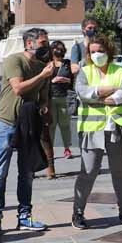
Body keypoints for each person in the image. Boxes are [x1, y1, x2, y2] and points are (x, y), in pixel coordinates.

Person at [0, 27, 52, 238]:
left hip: (28, 124)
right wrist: (43, 74)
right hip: (7, 121)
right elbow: (18, 88)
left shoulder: (44, 66)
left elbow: (43, 95)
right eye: (43, 43)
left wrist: (43, 104)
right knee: (1, 172)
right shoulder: (13, 61)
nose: (47, 47)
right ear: (29, 44)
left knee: (26, 173)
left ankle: (24, 215)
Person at [72, 31, 122, 229]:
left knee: (120, 172)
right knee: (89, 171)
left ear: (108, 51)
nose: (96, 55)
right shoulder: (85, 71)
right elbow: (82, 93)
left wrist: (102, 95)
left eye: (99, 51)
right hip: (92, 129)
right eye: (92, 52)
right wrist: (107, 90)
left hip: (117, 127)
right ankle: (78, 212)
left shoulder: (120, 69)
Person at [47, 40, 75, 175]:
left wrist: (66, 80)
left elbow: (72, 80)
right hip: (51, 98)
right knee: (51, 125)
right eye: (56, 49)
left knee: (65, 125)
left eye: (61, 49)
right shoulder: (47, 64)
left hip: (64, 97)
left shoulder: (67, 63)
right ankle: (49, 150)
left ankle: (67, 148)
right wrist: (52, 80)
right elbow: (43, 80)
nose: (59, 52)